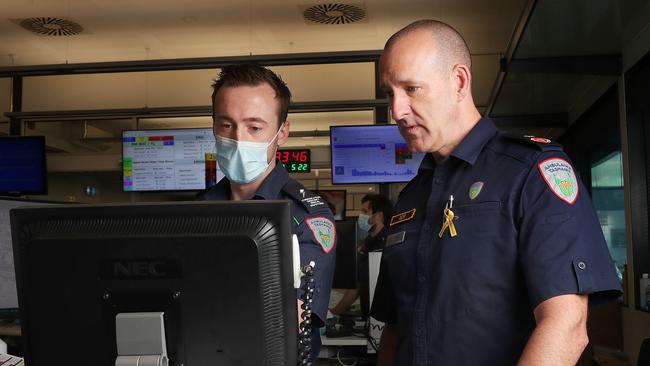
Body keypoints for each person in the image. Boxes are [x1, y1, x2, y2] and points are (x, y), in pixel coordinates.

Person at [370, 20, 622, 366]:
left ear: (458, 82)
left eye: (411, 89)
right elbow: (396, 328)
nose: (396, 110)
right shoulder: (411, 197)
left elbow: (566, 324)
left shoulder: (530, 172)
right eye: (389, 93)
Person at [196, 63, 336, 361]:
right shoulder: (195, 213)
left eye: (255, 127)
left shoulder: (306, 218)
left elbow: (292, 323)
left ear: (282, 132)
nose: (238, 139)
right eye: (226, 125)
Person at [329, 193, 393, 316]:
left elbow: (358, 287)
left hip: (381, 319)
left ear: (378, 216)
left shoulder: (388, 244)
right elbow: (360, 283)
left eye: (365, 211)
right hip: (369, 315)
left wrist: (333, 312)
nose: (360, 216)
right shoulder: (369, 243)